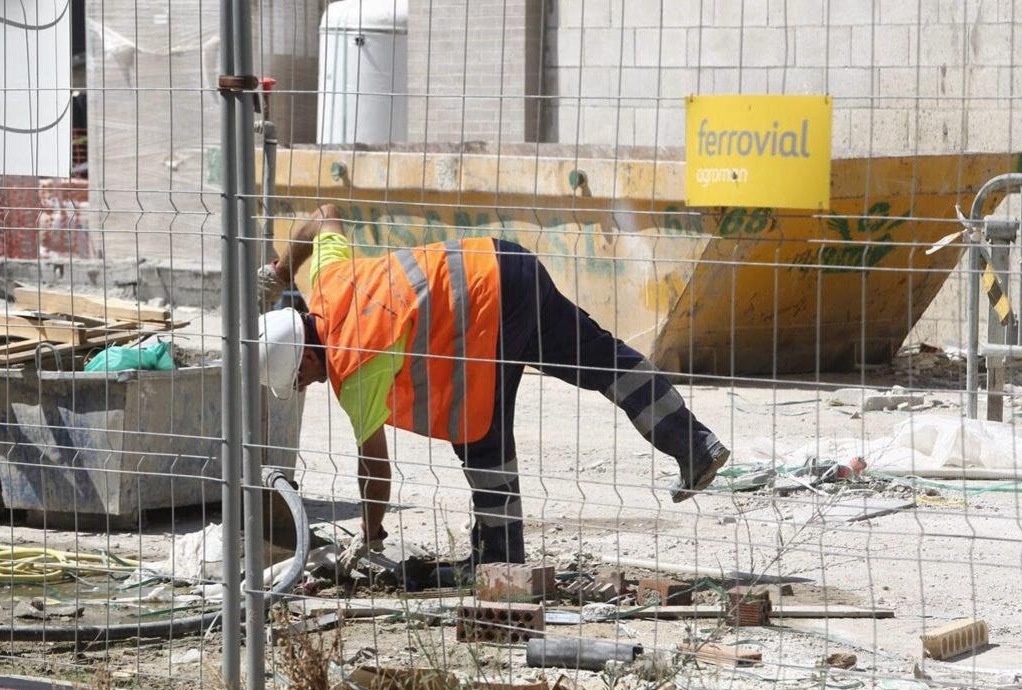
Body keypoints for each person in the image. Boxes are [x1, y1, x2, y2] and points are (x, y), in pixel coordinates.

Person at [256, 204, 729, 571]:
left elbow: (375, 468)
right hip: (507, 262)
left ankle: (500, 559)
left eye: (299, 377)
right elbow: (323, 218)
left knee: (477, 427)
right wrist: (282, 272)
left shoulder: (351, 368)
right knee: (602, 360)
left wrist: (370, 533)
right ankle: (693, 443)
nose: (305, 387)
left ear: (310, 354)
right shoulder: (328, 279)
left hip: (488, 311)